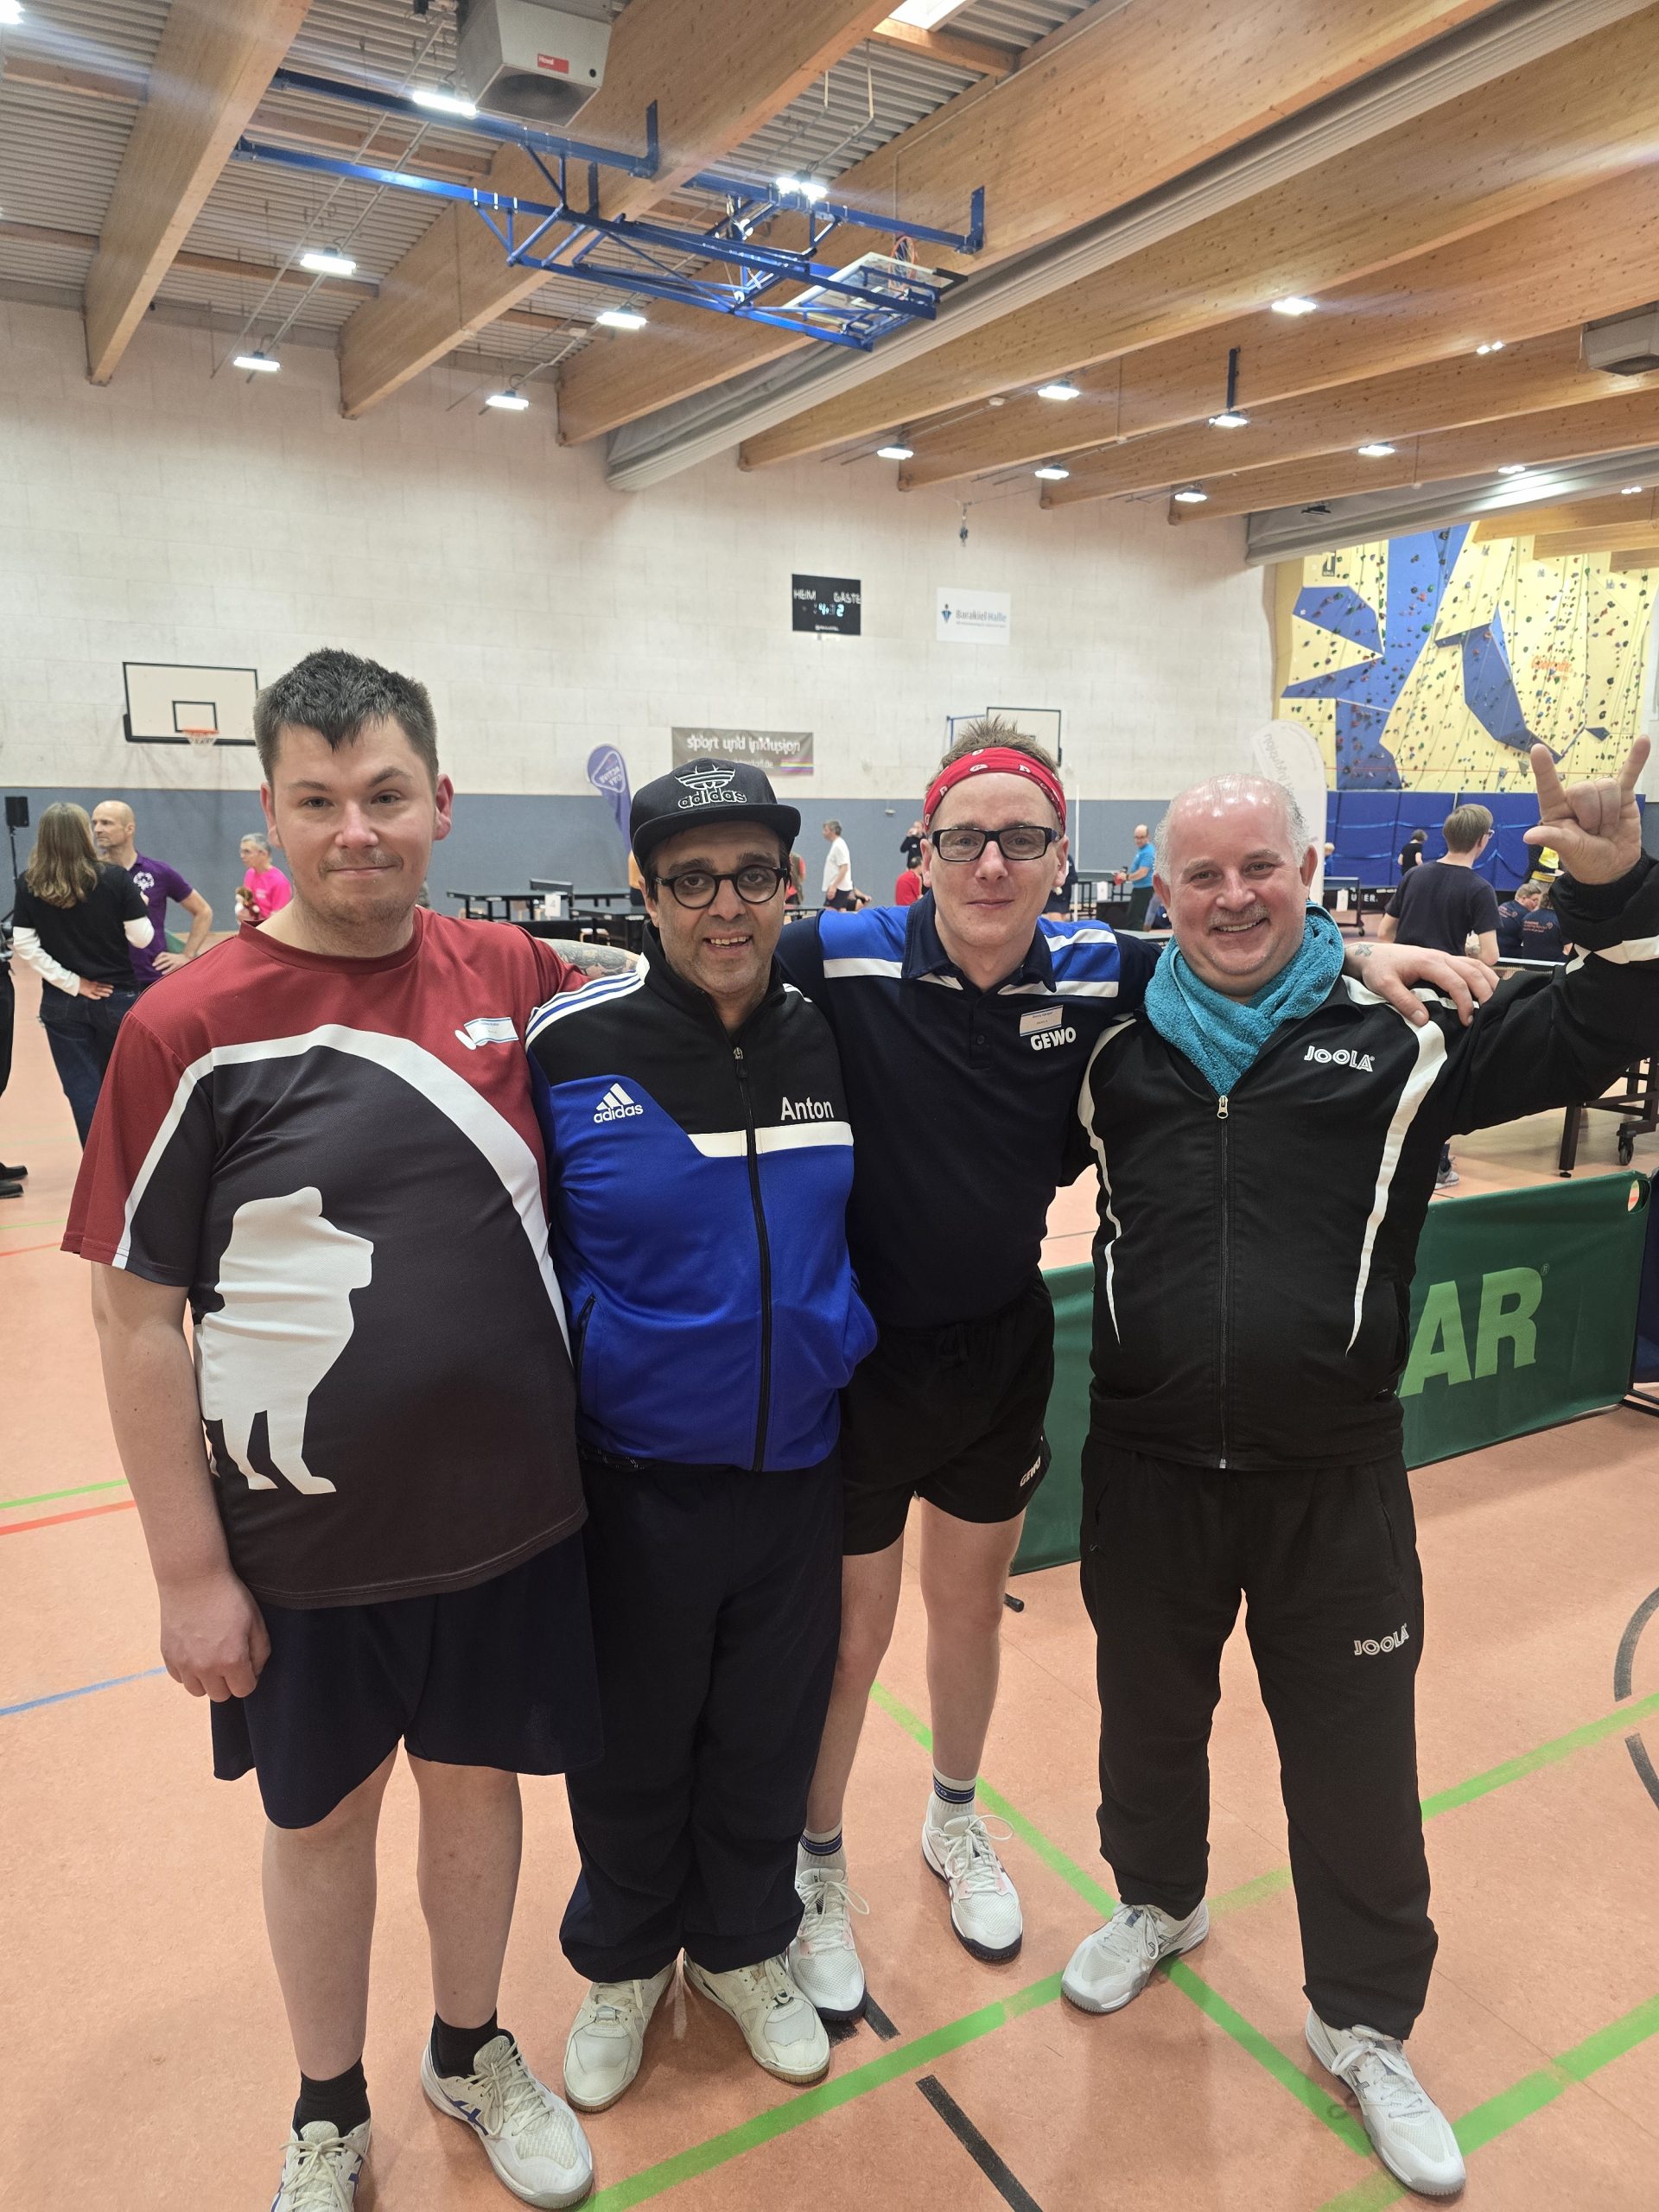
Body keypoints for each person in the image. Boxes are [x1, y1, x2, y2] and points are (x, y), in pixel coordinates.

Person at [770, 715, 1488, 2022]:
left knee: (968, 1611)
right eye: (965, 839)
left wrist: (1355, 948)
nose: (993, 864)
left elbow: (1234, 940)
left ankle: (953, 1818)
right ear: (923, 848)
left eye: (1024, 839)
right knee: (851, 1636)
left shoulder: (1104, 970)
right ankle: (816, 1867)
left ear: (1065, 857)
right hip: (861, 1356)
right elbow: (710, 965)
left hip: (996, 1352)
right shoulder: (839, 953)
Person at [1062, 747, 1657, 2202]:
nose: (1234, 897)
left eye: (1261, 867)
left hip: (1334, 1480)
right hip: (1145, 1468)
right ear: (1160, 889)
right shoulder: (1105, 1041)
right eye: (1203, 874)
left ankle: (1364, 2021)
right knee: (1148, 1725)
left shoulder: (1406, 1033)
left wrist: (1617, 889)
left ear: (1312, 875)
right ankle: (1159, 1903)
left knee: (1355, 1763)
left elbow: (1608, 1018)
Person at [66, 648, 613, 2212]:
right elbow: (133, 1317)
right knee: (320, 1818)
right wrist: (189, 1573)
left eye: (385, 794)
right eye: (318, 801)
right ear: (270, 814)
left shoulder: (517, 975)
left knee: (477, 1785)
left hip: (510, 1515)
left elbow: (698, 991)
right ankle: (326, 2107)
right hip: (299, 1540)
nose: (354, 830)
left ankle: (470, 2046)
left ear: (442, 802)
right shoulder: (187, 1026)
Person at [527, 760, 874, 2111]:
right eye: (692, 880)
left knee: (765, 1734)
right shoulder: (573, 1048)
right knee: (632, 1741)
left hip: (796, 1468)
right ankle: (622, 1962)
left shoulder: (834, 1034)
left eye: (752, 876)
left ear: (789, 886)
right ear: (647, 892)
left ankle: (740, 1947)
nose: (725, 906)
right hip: (635, 1477)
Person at [10, 801, 152, 1143]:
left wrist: (73, 983)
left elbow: (24, 944)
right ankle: (134, 1160)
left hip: (62, 1003)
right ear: (84, 834)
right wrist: (139, 906)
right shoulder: (115, 878)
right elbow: (142, 937)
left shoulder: (30, 882)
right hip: (117, 997)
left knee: (81, 1089)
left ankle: (97, 1165)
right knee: (128, 1086)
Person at [1379, 804, 1501, 1190]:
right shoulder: (1479, 889)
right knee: (1438, 1083)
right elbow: (1490, 956)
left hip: (1399, 989)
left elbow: (1384, 934)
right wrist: (1461, 954)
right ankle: (1437, 1167)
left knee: (1395, 1076)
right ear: (1483, 840)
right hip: (1444, 1000)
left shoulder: (1414, 876)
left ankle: (1390, 1160)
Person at [91, 799, 214, 983]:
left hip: (151, 975)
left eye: (106, 823)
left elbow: (203, 911)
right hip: (105, 978)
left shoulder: (159, 872)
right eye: (95, 823)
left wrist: (187, 955)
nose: (98, 829)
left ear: (129, 829)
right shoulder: (91, 873)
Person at [1496, 880, 1566, 962]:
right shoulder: (1525, 916)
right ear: (1523, 898)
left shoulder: (1505, 905)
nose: (1537, 904)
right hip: (1507, 952)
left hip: (1496, 945)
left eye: (1538, 901)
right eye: (1534, 900)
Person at [238, 831, 292, 922]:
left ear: (263, 854)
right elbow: (247, 902)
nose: (242, 856)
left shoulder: (280, 882)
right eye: (241, 851)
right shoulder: (250, 874)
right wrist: (244, 913)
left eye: (247, 852)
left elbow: (277, 920)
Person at [1125, 823, 1156, 928]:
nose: (1138, 840)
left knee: (1136, 921)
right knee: (1132, 918)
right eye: (1136, 837)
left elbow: (1142, 873)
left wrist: (1127, 877)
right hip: (1139, 889)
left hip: (1144, 890)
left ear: (1147, 837)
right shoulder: (1142, 850)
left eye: (1141, 837)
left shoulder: (1148, 852)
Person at [822, 819, 854, 910]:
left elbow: (844, 867)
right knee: (841, 912)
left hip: (839, 888)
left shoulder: (839, 845)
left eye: (826, 830)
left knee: (828, 913)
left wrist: (834, 886)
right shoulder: (837, 844)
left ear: (833, 831)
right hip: (840, 887)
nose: (823, 833)